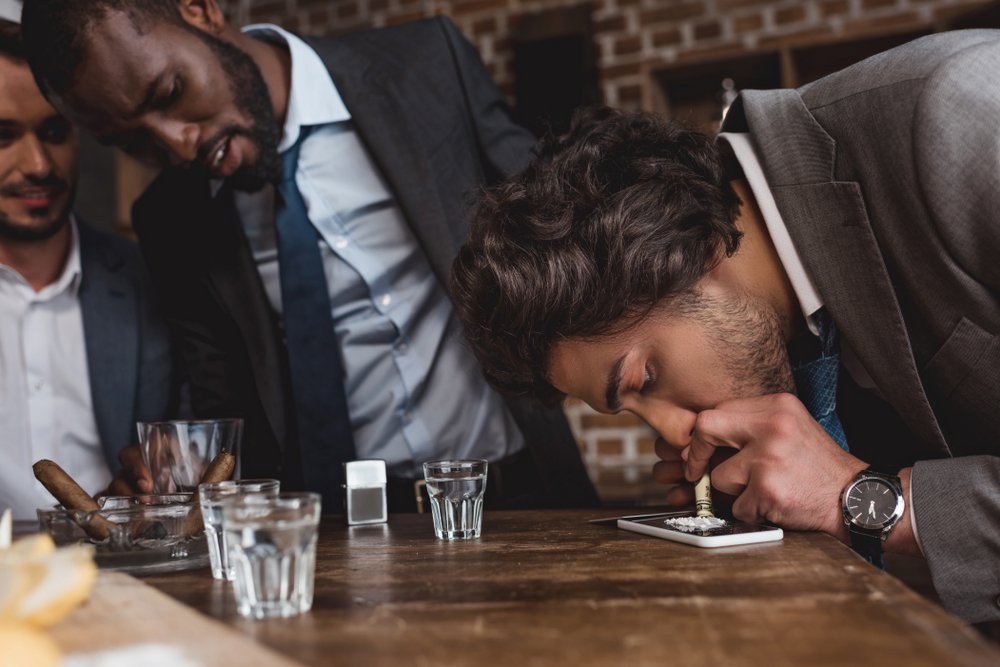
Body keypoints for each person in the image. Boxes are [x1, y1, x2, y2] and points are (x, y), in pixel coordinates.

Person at [449, 31, 1000, 623]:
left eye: (646, 376)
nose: (675, 434)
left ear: (691, 249)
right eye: (634, 412)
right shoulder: (784, 338)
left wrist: (863, 501)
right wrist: (785, 499)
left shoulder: (963, 113)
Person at [20, 0, 597, 512]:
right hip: (339, 529)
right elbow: (224, 403)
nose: (176, 144)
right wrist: (177, 469)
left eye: (170, 94)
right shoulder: (170, 218)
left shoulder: (424, 64)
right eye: (133, 142)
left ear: (199, 10)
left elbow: (564, 223)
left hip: (523, 492)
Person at [0, 19, 181, 519]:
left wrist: (152, 483)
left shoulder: (152, 281)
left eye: (54, 131)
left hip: (128, 579)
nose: (37, 164)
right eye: (3, 136)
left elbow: (190, 454)